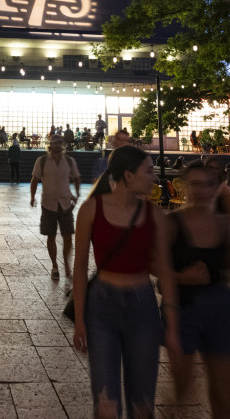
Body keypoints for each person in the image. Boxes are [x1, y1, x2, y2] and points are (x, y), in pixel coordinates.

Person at [71, 146, 180, 419]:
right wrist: (80, 319)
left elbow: (165, 270)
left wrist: (172, 323)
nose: (154, 178)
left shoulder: (154, 215)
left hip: (142, 307)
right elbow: (81, 267)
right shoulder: (90, 210)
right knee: (106, 404)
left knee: (142, 405)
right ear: (129, 176)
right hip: (102, 309)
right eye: (149, 171)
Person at [168, 161, 230, 417]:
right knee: (182, 389)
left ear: (217, 187)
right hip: (183, 310)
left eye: (209, 184)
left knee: (224, 396)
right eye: (196, 184)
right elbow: (153, 268)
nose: (202, 191)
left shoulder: (226, 225)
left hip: (220, 310)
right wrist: (181, 277)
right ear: (185, 187)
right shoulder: (171, 224)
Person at [30, 135, 81, 280]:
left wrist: (76, 193)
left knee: (68, 236)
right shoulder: (42, 160)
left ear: (62, 144)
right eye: (55, 142)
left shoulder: (70, 161)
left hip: (65, 204)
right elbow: (35, 179)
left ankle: (66, 263)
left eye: (60, 142)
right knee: (51, 236)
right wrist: (32, 196)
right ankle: (54, 266)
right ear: (50, 144)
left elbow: (77, 177)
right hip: (48, 204)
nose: (57, 145)